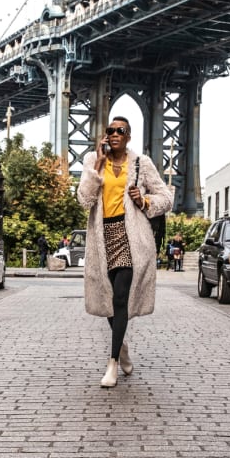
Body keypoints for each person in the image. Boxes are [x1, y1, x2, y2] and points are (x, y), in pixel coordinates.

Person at [77, 116, 173, 387]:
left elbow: (166, 198)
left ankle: (113, 363)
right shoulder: (91, 162)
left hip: (131, 236)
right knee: (108, 298)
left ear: (129, 136)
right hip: (102, 236)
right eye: (111, 130)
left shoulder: (142, 164)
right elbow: (85, 200)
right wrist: (96, 166)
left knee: (120, 297)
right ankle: (123, 348)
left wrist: (143, 200)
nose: (115, 134)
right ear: (106, 136)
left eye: (121, 131)